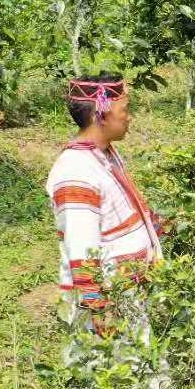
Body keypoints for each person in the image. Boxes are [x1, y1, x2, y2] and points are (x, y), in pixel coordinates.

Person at [45, 74, 163, 331]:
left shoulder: (104, 154)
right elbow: (81, 246)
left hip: (124, 294)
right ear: (102, 113)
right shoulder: (76, 172)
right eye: (125, 109)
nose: (129, 116)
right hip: (109, 302)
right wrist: (98, 307)